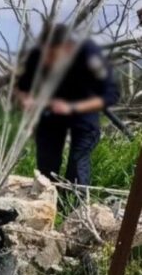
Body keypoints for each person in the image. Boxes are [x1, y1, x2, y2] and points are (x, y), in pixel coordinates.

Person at [17, 24, 119, 186]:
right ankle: (47, 200)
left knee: (77, 166)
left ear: (68, 48)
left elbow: (110, 95)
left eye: (52, 55)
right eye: (45, 55)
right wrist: (26, 100)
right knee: (46, 167)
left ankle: (74, 203)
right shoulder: (37, 55)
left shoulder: (88, 54)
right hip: (51, 112)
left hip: (83, 111)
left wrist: (72, 108)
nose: (48, 61)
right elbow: (23, 87)